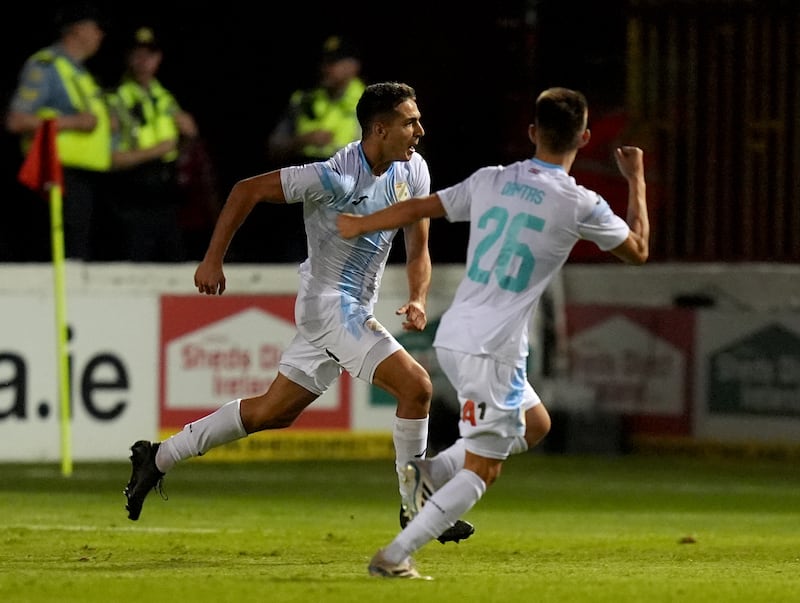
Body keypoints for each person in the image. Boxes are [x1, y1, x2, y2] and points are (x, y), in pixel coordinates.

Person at [123, 81, 474, 545]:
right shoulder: (335, 176)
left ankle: (158, 457)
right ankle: (419, 506)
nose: (419, 131)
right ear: (380, 128)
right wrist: (211, 260)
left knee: (272, 412)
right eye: (410, 122)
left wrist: (419, 298)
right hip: (330, 307)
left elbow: (418, 249)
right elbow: (246, 190)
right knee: (417, 387)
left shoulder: (415, 172)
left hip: (347, 309)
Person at [337, 86, 650, 578]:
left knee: (536, 423)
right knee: (485, 466)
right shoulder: (580, 203)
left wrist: (362, 224)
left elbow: (419, 208)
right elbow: (638, 250)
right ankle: (393, 557)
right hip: (492, 347)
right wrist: (635, 180)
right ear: (585, 137)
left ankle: (430, 472)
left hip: (461, 334)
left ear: (532, 133)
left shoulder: (491, 180)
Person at [5, 2, 111, 261]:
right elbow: (15, 121)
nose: (101, 35)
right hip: (53, 177)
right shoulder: (46, 66)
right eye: (97, 28)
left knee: (80, 256)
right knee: (60, 256)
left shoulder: (80, 72)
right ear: (78, 29)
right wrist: (74, 122)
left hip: (84, 178)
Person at [104, 26, 200, 262]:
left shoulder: (165, 98)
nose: (144, 61)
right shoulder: (114, 99)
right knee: (134, 263)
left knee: (176, 264)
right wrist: (157, 151)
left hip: (166, 197)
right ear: (128, 58)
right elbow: (110, 158)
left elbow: (182, 151)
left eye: (151, 55)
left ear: (159, 59)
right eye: (138, 54)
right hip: (131, 197)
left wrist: (188, 136)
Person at [266, 34, 365, 166]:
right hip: (303, 174)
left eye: (332, 62)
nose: (325, 68)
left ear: (353, 66)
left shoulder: (371, 102)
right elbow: (274, 147)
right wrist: (301, 141)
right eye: (324, 61)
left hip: (349, 176)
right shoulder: (303, 99)